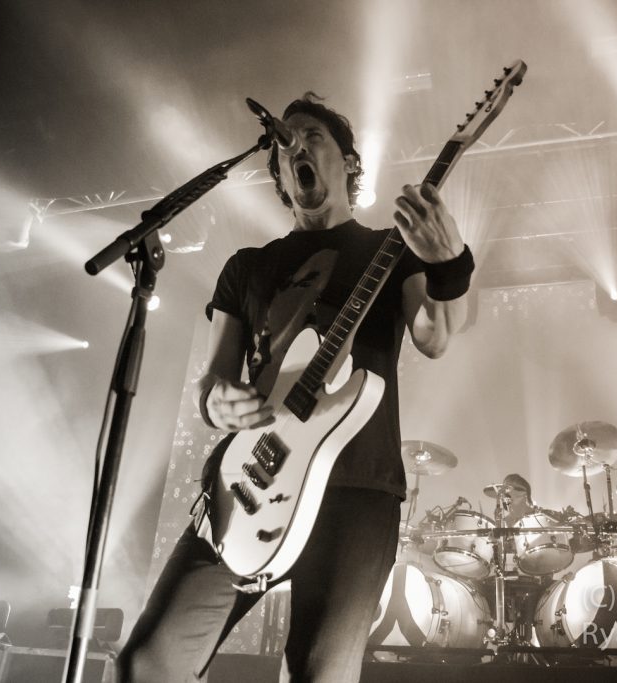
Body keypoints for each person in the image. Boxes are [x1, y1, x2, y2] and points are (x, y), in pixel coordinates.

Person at [117, 93, 473, 682]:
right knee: (148, 661)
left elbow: (434, 337)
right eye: (288, 144)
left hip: (356, 486)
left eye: (314, 137)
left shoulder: (390, 251)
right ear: (281, 176)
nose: (297, 146)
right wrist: (217, 402)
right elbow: (214, 383)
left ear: (349, 162)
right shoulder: (247, 266)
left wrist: (450, 264)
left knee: (319, 672)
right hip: (249, 480)